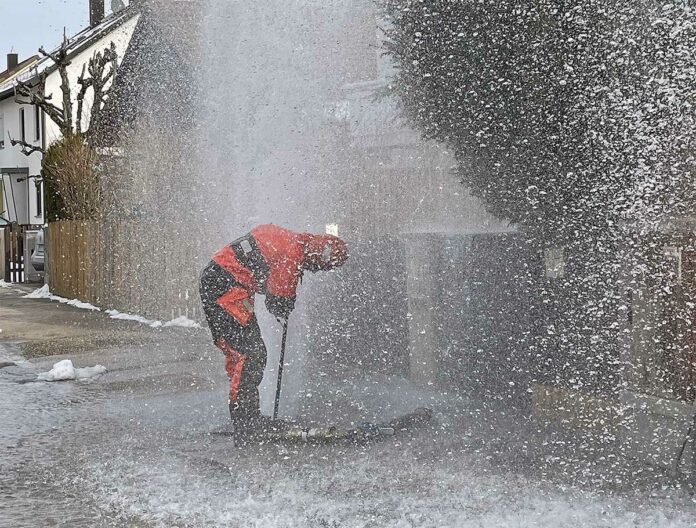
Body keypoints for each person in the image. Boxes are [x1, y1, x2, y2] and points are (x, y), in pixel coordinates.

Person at [199, 224, 348, 439]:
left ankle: (245, 416)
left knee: (242, 353)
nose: (318, 269)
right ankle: (247, 422)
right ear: (322, 255)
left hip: (220, 281)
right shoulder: (295, 250)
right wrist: (285, 304)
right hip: (226, 287)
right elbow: (278, 298)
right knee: (251, 354)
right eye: (324, 265)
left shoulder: (291, 241)